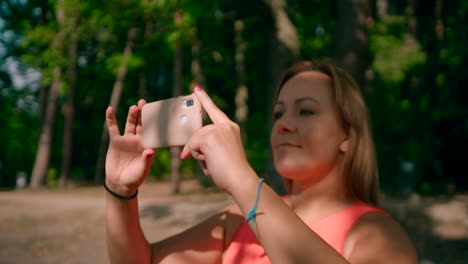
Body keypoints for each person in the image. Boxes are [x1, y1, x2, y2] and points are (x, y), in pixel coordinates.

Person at [104, 60, 418, 263]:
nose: (283, 124)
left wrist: (241, 178)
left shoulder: (375, 232)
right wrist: (120, 192)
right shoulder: (235, 220)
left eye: (305, 110)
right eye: (278, 113)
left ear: (347, 136)